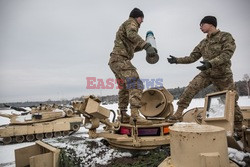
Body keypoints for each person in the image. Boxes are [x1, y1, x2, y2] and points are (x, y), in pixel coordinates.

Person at [167, 16, 243, 137]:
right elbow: (192, 57)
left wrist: (211, 63)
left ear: (211, 24)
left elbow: (227, 54)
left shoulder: (225, 37)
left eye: (202, 24)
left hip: (223, 75)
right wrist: (177, 60)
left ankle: (239, 127)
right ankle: (178, 113)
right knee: (191, 88)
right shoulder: (203, 43)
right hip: (207, 73)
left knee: (231, 100)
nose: (200, 27)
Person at [108, 8, 158, 125]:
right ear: (137, 17)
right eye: (142, 19)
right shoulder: (131, 23)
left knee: (124, 88)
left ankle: (123, 115)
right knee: (136, 83)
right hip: (120, 59)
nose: (142, 21)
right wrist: (146, 45)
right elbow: (132, 34)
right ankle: (135, 116)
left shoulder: (125, 26)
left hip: (115, 61)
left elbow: (132, 48)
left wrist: (146, 46)